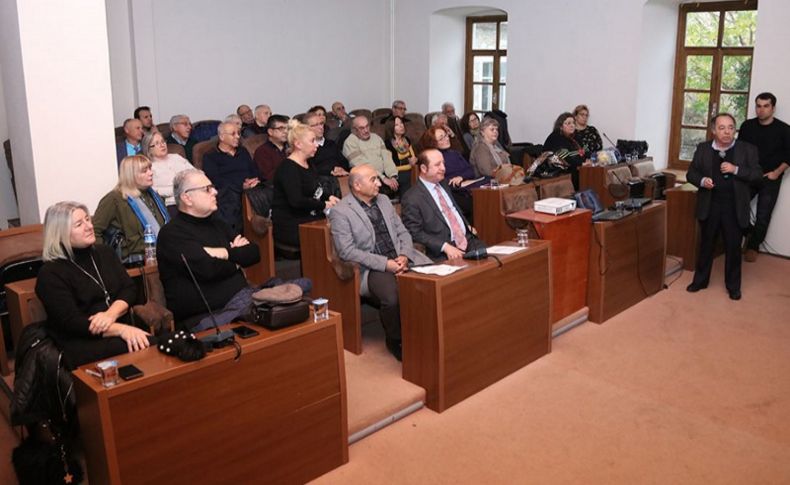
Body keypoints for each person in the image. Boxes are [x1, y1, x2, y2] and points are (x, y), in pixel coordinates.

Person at [328, 164, 432, 360]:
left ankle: (426, 332)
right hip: (372, 267)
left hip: (401, 257)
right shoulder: (341, 211)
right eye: (373, 179)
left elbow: (402, 231)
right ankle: (395, 339)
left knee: (435, 279)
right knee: (392, 298)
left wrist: (404, 255)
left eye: (378, 178)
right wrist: (386, 264)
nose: (379, 183)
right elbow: (347, 251)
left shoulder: (384, 200)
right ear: (357, 186)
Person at [35, 201, 152, 368]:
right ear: (60, 233)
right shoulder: (50, 273)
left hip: (118, 329)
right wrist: (121, 330)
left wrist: (110, 314)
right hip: (82, 341)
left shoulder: (105, 252)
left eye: (88, 219)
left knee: (157, 346)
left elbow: (129, 289)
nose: (89, 226)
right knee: (145, 346)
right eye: (79, 224)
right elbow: (71, 322)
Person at [157, 169, 261, 331]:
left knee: (297, 293)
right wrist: (236, 261)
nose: (215, 192)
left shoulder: (217, 223)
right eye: (207, 189)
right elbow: (208, 269)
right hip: (206, 316)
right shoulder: (172, 234)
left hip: (242, 301)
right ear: (187, 198)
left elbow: (254, 253)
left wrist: (224, 253)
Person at [686, 113, 761, 301]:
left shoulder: (747, 149)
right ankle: (700, 281)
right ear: (713, 131)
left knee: (733, 248)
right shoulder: (703, 149)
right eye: (722, 128)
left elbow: (757, 175)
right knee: (706, 245)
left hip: (734, 206)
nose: (727, 132)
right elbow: (691, 173)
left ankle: (733, 286)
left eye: (730, 127)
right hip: (710, 204)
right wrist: (702, 180)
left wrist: (736, 169)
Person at [401, 149, 485, 260]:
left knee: (495, 261)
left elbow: (453, 210)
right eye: (437, 165)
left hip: (467, 240)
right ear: (423, 169)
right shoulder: (412, 198)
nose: (443, 168)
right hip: (442, 250)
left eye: (443, 163)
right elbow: (414, 232)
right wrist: (444, 246)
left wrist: (465, 225)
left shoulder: (444, 184)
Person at [738, 92, 790, 262]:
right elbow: (739, 150)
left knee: (763, 214)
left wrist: (777, 172)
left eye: (766, 106)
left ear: (773, 108)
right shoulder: (747, 126)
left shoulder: (784, 129)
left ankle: (753, 247)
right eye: (758, 106)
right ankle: (748, 230)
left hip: (771, 178)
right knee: (736, 204)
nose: (761, 110)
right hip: (749, 175)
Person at [271, 120, 340, 248]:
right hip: (292, 224)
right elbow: (296, 201)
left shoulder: (309, 163)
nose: (316, 145)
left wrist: (329, 197)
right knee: (336, 233)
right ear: (298, 144)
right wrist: (323, 204)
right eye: (312, 141)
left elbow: (315, 189)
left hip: (310, 217)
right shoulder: (288, 168)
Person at [93, 155, 170, 263]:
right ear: (131, 175)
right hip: (133, 262)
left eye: (150, 169)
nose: (151, 173)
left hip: (162, 256)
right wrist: (105, 259)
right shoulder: (114, 199)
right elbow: (95, 231)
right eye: (144, 171)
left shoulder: (154, 196)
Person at [419, 126, 488, 222]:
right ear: (433, 142)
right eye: (441, 138)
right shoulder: (433, 158)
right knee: (476, 203)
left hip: (468, 184)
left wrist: (461, 177)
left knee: (489, 183)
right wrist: (456, 181)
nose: (447, 139)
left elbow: (470, 171)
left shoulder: (455, 153)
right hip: (452, 191)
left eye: (446, 136)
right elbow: (439, 179)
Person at [202, 121, 260, 233]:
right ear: (222, 137)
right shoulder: (210, 156)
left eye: (238, 133)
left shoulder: (243, 151)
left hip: (251, 188)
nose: (238, 137)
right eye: (233, 134)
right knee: (229, 195)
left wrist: (253, 180)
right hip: (228, 191)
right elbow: (215, 180)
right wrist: (241, 185)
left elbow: (254, 170)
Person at [343, 115, 400, 197]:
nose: (366, 130)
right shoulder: (350, 142)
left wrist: (393, 176)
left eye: (367, 126)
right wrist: (383, 178)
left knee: (405, 180)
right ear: (354, 130)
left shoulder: (376, 138)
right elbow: (362, 165)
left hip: (384, 175)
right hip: (368, 177)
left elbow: (387, 158)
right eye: (362, 128)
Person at [141, 131, 194, 211]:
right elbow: (152, 190)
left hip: (194, 196)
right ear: (149, 149)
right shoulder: (149, 167)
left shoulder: (176, 157)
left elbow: (195, 173)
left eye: (163, 141)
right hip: (173, 204)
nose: (162, 145)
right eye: (157, 143)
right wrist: (179, 189)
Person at [543, 112, 587, 190]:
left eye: (573, 123)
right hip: (556, 171)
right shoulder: (556, 137)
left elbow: (583, 152)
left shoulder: (574, 137)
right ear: (560, 126)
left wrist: (589, 159)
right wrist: (582, 163)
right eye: (568, 123)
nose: (572, 125)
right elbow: (564, 157)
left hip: (572, 169)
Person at [305, 111, 349, 177]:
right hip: (322, 180)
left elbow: (344, 162)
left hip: (341, 176)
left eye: (321, 124)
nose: (320, 127)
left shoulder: (331, 143)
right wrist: (330, 171)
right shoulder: (306, 148)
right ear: (307, 128)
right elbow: (310, 170)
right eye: (316, 125)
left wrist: (340, 169)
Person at [384, 116, 417, 192]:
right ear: (391, 128)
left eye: (401, 123)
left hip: (410, 170)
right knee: (408, 177)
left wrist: (414, 160)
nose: (401, 126)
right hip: (396, 173)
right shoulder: (388, 144)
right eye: (397, 125)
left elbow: (413, 157)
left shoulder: (406, 140)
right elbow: (392, 166)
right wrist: (409, 166)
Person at [253, 114, 290, 181]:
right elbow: (268, 177)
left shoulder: (291, 148)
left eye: (287, 128)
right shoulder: (262, 151)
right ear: (270, 132)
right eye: (281, 128)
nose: (286, 132)